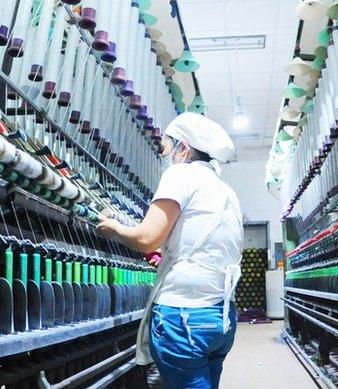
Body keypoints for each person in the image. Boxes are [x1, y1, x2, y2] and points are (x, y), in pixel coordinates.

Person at [97, 112, 243, 389]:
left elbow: (147, 238)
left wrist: (115, 228)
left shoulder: (180, 175)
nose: (164, 155)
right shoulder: (225, 191)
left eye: (165, 147)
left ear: (183, 148)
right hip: (220, 318)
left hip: (184, 317)